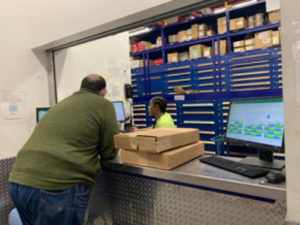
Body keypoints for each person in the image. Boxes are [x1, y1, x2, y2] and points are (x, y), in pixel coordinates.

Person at [8, 74, 119, 225]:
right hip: (55, 186)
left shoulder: (64, 103)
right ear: (104, 92)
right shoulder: (103, 104)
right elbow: (110, 148)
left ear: (82, 87)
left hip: (18, 181)